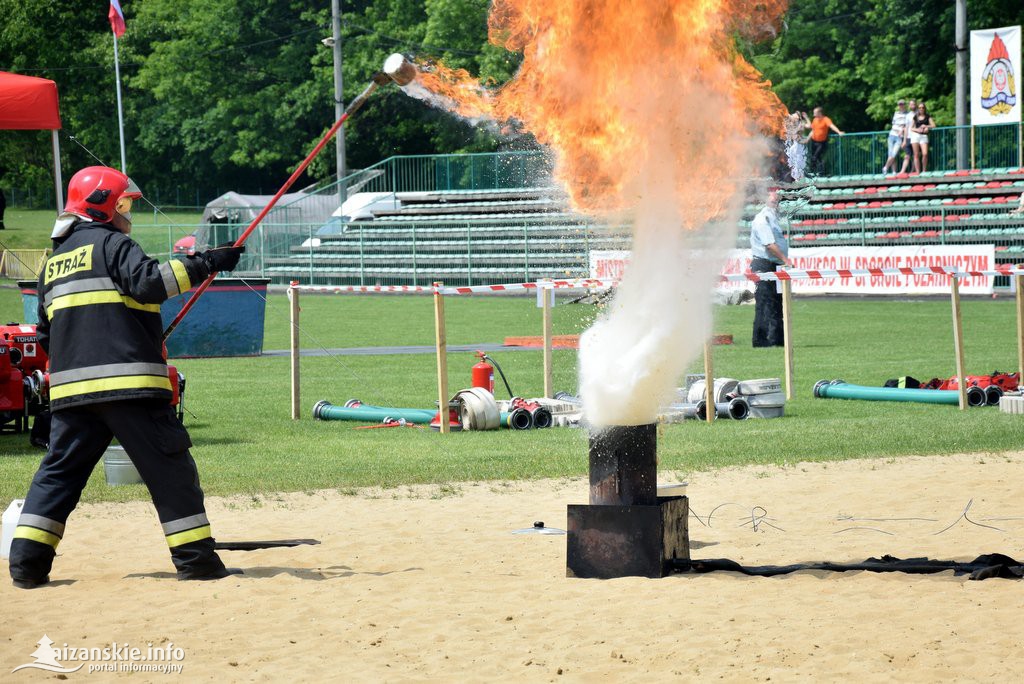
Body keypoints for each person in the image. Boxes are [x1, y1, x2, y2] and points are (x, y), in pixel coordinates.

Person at [8, 166, 245, 588]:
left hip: (71, 393)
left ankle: (26, 564)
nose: (127, 213)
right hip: (129, 388)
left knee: (58, 475)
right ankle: (197, 562)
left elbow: (47, 332)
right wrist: (209, 261)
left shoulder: (53, 264)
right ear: (104, 205)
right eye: (124, 204)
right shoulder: (113, 244)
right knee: (169, 470)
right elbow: (151, 283)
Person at [750, 186, 789, 347]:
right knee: (766, 302)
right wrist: (786, 259)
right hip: (765, 265)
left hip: (773, 265)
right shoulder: (763, 219)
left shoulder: (772, 217)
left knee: (776, 302)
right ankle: (764, 340)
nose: (777, 200)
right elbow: (769, 245)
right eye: (774, 198)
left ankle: (777, 339)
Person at [805, 107, 844, 176]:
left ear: (819, 113)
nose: (814, 114)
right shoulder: (815, 120)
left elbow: (832, 126)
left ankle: (813, 171)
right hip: (814, 142)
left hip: (821, 143)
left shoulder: (826, 119)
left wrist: (839, 132)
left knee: (815, 157)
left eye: (815, 113)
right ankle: (822, 172)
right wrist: (807, 139)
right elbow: (812, 130)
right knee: (818, 158)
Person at [882, 100, 908, 175]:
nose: (901, 105)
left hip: (899, 136)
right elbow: (894, 124)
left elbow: (906, 125)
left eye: (902, 104)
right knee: (891, 154)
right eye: (899, 104)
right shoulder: (896, 113)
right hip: (892, 134)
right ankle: (894, 171)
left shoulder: (907, 114)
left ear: (904, 105)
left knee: (894, 154)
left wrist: (902, 129)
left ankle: (885, 167)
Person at [910, 102, 936, 173]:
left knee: (925, 154)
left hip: (924, 136)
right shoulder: (915, 116)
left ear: (925, 108)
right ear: (918, 109)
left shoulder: (928, 116)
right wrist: (917, 129)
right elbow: (911, 128)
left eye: (923, 107)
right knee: (916, 154)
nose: (921, 109)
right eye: (920, 108)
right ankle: (918, 171)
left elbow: (933, 125)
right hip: (915, 136)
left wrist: (926, 126)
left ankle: (924, 170)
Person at [899, 99, 918, 173]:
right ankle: (902, 171)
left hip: (916, 137)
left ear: (916, 104)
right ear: (909, 105)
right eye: (911, 104)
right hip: (908, 137)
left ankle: (913, 170)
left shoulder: (918, 113)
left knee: (915, 155)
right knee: (907, 155)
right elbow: (906, 128)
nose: (912, 105)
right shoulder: (908, 115)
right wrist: (904, 140)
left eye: (913, 104)